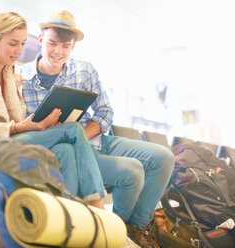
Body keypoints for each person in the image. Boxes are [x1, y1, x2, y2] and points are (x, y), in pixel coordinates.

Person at [17, 10, 175, 247]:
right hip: (65, 153)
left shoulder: (84, 70)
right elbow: (24, 132)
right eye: (52, 43)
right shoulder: (21, 79)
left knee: (164, 157)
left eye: (65, 46)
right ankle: (114, 233)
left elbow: (105, 112)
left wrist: (84, 135)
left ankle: (136, 229)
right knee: (132, 171)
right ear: (40, 40)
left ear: (73, 47)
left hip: (95, 138)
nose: (58, 51)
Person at [0, 11, 106, 209]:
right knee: (73, 129)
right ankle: (97, 207)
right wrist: (16, 128)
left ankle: (67, 222)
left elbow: (18, 123)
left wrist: (40, 124)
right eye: (13, 44)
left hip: (8, 144)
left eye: (23, 44)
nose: (19, 51)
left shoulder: (10, 73)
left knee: (65, 150)